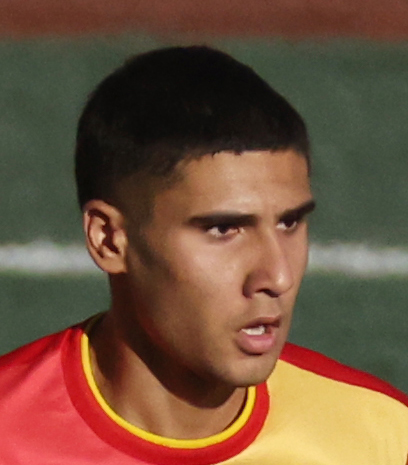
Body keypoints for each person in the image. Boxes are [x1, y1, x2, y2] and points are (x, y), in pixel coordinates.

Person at [0, 45, 407, 464]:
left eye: (289, 223)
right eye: (223, 229)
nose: (277, 276)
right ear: (108, 239)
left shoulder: (381, 437)